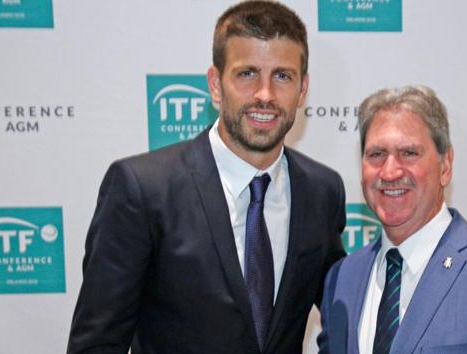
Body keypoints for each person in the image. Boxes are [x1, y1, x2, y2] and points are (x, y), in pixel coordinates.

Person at [67, 1, 347, 353]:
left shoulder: (322, 191)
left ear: (302, 89)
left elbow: (344, 315)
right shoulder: (142, 189)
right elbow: (97, 344)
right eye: (247, 74)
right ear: (215, 84)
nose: (265, 94)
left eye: (282, 76)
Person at [317, 86, 467, 354]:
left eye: (409, 153)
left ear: (445, 166)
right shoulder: (343, 278)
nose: (389, 171)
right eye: (376, 154)